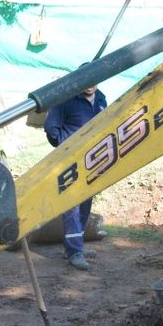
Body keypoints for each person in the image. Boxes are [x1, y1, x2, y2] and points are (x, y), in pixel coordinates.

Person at [44, 85, 108, 271]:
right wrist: (65, 147)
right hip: (70, 160)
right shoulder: (67, 99)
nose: (90, 85)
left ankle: (76, 245)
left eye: (95, 81)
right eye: (87, 80)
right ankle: (74, 252)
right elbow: (51, 127)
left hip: (92, 160)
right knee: (71, 203)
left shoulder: (101, 99)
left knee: (85, 201)